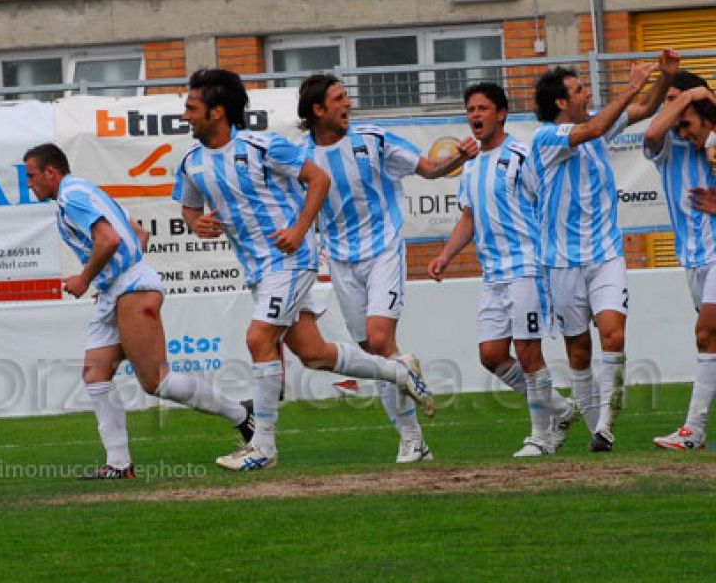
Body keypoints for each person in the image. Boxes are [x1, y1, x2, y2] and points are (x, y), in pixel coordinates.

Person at [173, 68, 433, 472]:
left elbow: (318, 178)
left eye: (191, 108)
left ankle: (263, 446)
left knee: (259, 338)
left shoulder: (262, 147)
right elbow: (189, 207)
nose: (185, 116)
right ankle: (397, 371)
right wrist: (196, 222)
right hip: (260, 271)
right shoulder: (192, 163)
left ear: (218, 111)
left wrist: (297, 230)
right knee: (313, 354)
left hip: (291, 260)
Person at [23, 143, 254, 479]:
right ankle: (119, 464)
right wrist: (108, 277)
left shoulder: (71, 197)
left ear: (50, 172)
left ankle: (239, 413)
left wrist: (86, 278)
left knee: (156, 381)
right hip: (121, 287)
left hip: (131, 289)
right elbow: (140, 234)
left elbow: (110, 241)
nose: (29, 183)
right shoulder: (87, 191)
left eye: (31, 176)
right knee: (95, 374)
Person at [295, 73, 477, 463]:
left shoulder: (372, 139)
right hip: (341, 259)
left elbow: (427, 169)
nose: (348, 104)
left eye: (347, 97)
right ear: (318, 109)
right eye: (339, 98)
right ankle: (416, 440)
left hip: (383, 249)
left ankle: (410, 438)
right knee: (373, 356)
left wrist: (458, 157)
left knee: (379, 341)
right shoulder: (299, 156)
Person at [525, 49, 679, 452]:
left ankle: (606, 426)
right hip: (560, 261)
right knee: (578, 347)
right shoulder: (547, 138)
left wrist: (663, 76)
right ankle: (597, 428)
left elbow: (644, 107)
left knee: (613, 333)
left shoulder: (595, 129)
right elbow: (593, 129)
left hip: (605, 252)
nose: (586, 93)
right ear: (561, 102)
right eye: (579, 90)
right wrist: (630, 85)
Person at [427, 82, 577, 457]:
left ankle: (541, 436)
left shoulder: (523, 156)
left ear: (501, 113)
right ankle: (559, 408)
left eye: (482, 108)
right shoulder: (471, 162)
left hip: (527, 267)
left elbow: (547, 202)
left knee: (528, 352)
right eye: (470, 109)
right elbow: (469, 216)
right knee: (491, 355)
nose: (475, 115)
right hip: (492, 273)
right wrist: (445, 256)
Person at [643, 73, 716, 450]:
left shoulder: (712, 139)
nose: (676, 123)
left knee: (706, 335)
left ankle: (692, 431)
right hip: (693, 260)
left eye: (682, 112)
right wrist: (689, 94)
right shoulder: (669, 145)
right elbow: (652, 132)